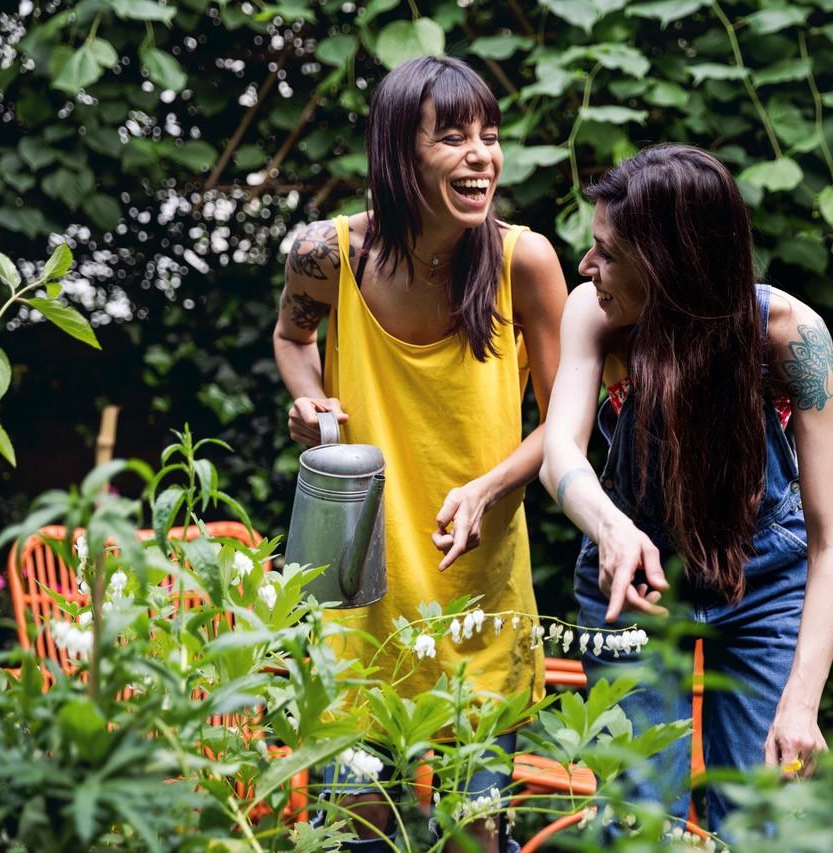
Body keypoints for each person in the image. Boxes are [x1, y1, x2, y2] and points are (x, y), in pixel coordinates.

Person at [273, 56, 567, 851]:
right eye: (455, 137)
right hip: (358, 607)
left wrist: (487, 486)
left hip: (479, 600)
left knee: (475, 836)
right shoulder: (325, 254)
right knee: (361, 837)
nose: (483, 155)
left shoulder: (525, 262)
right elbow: (292, 337)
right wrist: (309, 397)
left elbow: (564, 423)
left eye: (491, 136)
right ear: (399, 153)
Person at [540, 144, 833, 830]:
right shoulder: (592, 313)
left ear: (669, 262)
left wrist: (802, 702)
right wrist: (612, 528)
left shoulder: (792, 337)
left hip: (765, 579)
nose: (587, 267)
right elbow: (558, 450)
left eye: (608, 252)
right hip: (634, 584)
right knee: (636, 821)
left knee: (764, 819)